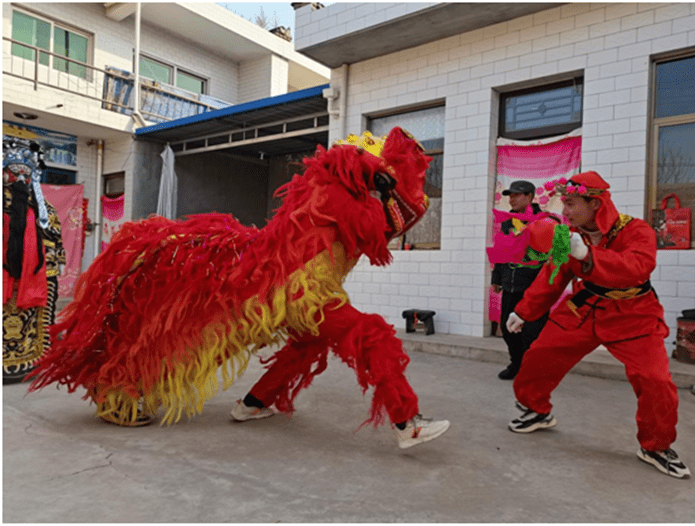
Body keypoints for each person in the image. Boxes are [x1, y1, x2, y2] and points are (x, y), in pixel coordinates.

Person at [29, 128, 450, 449]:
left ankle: (253, 404)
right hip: (296, 290)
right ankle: (408, 423)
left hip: (299, 290)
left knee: (305, 343)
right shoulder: (333, 192)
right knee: (369, 334)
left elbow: (390, 224)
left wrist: (388, 191)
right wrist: (384, 190)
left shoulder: (343, 193)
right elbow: (378, 234)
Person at [506, 171, 691, 479]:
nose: (564, 212)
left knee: (655, 379)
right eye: (563, 203)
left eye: (570, 203)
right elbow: (552, 277)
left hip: (634, 313)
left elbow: (637, 268)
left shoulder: (637, 230)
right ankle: (536, 409)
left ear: (595, 204)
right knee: (540, 354)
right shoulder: (567, 233)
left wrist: (587, 254)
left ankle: (655, 446)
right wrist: (524, 312)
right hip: (585, 307)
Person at [3, 138, 65, 383]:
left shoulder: (44, 208)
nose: (20, 178)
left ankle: (33, 361)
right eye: (14, 172)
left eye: (25, 174)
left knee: (36, 320)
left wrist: (57, 259)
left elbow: (55, 236)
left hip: (38, 274)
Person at [491, 180, 549, 380]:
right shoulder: (507, 222)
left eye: (516, 195)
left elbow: (559, 254)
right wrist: (497, 277)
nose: (511, 199)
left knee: (532, 332)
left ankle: (532, 369)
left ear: (530, 197)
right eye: (509, 195)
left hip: (535, 287)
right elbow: (500, 251)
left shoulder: (547, 221)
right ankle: (516, 364)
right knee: (508, 329)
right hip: (510, 285)